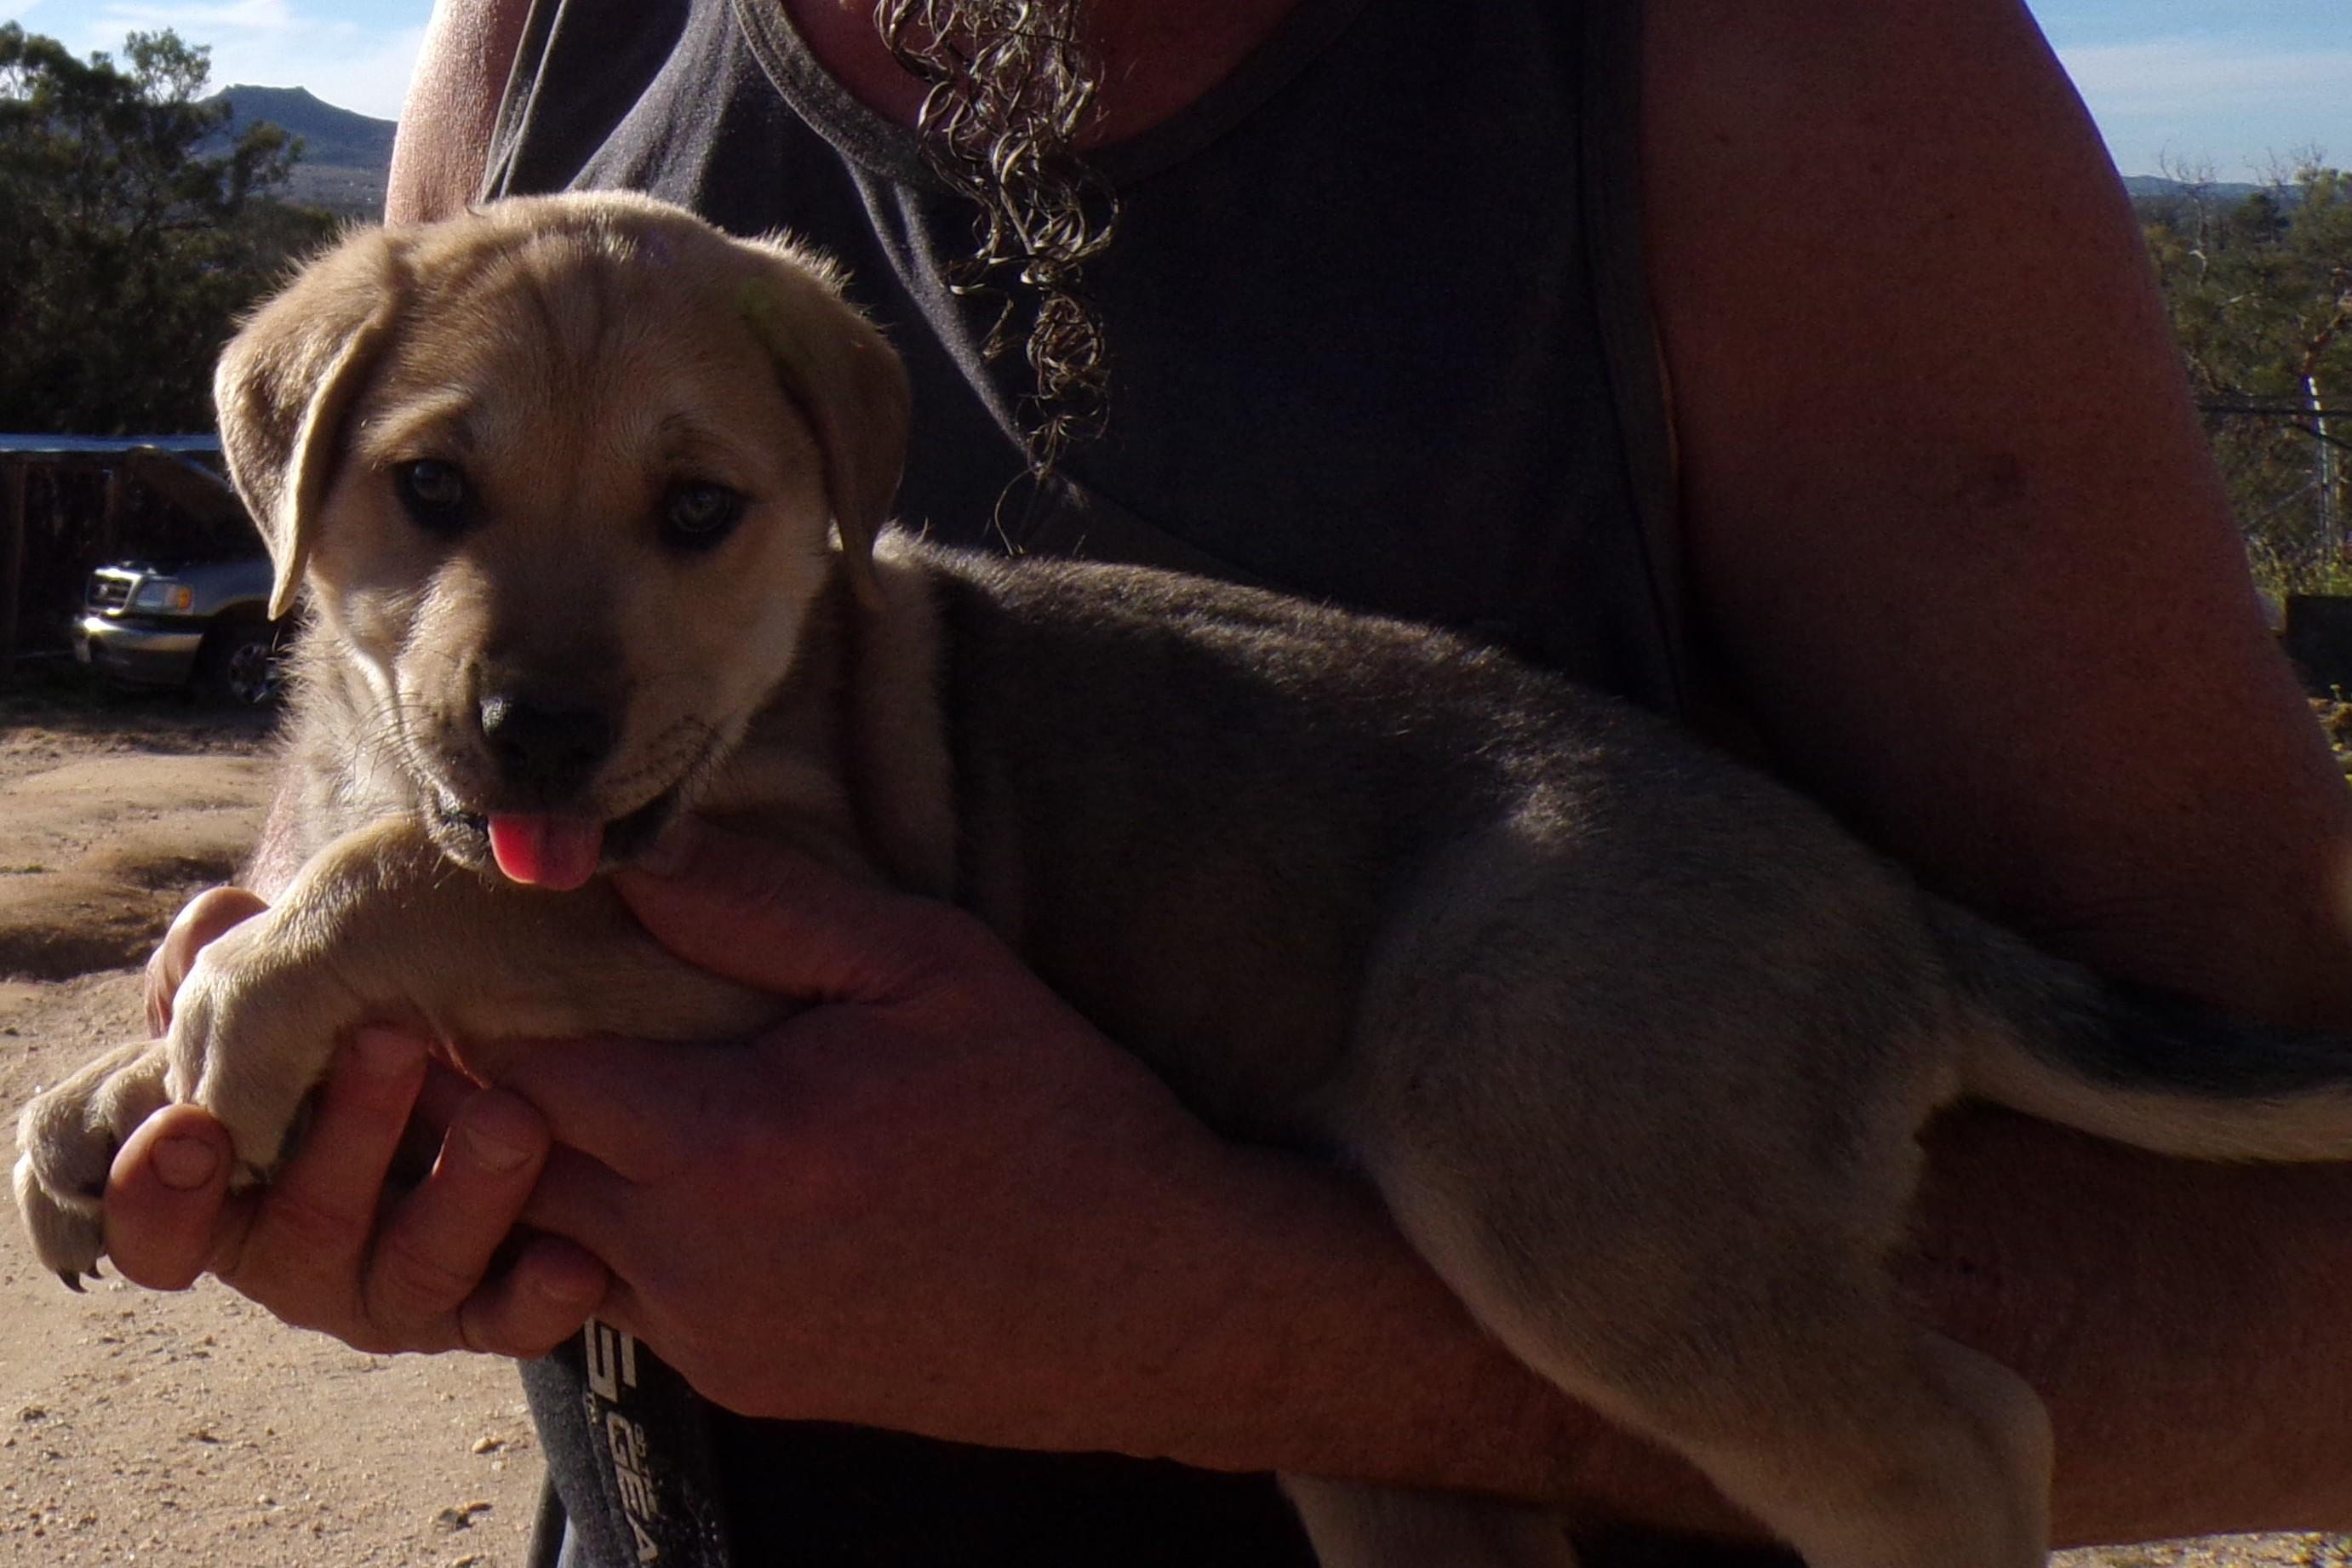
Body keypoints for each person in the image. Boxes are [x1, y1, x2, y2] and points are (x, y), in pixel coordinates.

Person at [96, 0, 2352, 1561]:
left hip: (1580, 970)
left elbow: (2299, 1284)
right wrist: (282, 1064)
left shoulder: (1794, 84)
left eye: (699, 513)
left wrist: (1244, 1332)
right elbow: (370, 818)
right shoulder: (546, 52)